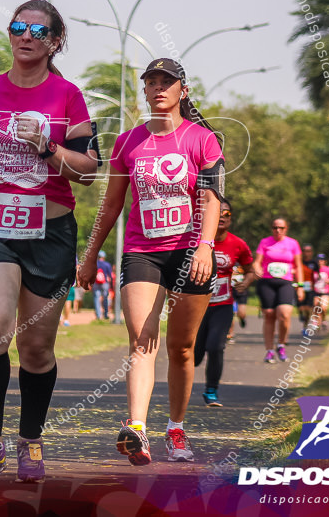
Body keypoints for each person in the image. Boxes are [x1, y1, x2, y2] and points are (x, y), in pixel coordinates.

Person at [0, 0, 98, 482]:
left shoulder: (68, 96)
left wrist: (49, 146)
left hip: (50, 231)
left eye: (39, 30)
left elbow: (88, 170)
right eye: (19, 27)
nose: (27, 35)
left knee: (36, 347)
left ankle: (30, 441)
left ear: (55, 41)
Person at [77, 57, 224, 465]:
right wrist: (90, 256)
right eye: (151, 82)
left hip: (191, 252)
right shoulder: (127, 142)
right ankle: (136, 429)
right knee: (142, 341)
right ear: (144, 90)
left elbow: (213, 198)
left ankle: (175, 429)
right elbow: (110, 206)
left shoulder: (203, 140)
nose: (158, 88)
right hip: (143, 251)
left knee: (180, 348)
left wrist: (205, 246)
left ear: (182, 90)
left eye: (167, 82)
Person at [194, 199, 254, 407]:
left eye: (226, 213)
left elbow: (251, 270)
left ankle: (211, 391)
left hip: (222, 305)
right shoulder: (195, 240)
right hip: (196, 307)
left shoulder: (238, 244)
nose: (221, 217)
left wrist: (245, 283)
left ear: (231, 218)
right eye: (218, 212)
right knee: (193, 355)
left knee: (216, 347)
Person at [253, 218, 304, 363]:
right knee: (269, 315)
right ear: (272, 229)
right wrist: (256, 268)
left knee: (284, 314)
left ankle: (281, 344)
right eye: (275, 228)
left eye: (281, 228)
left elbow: (298, 265)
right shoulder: (265, 242)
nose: (278, 230)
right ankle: (269, 350)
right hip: (267, 282)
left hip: (286, 282)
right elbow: (257, 261)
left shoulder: (293, 243)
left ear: (286, 229)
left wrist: (300, 286)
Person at [310, 254, 329, 332]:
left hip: (325, 292)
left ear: (325, 261)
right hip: (316, 291)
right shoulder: (314, 270)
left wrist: (328, 280)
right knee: (316, 306)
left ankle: (324, 320)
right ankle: (316, 322)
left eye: (321, 260)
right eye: (318, 260)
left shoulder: (327, 269)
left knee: (323, 308)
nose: (319, 262)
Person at [297, 244, 319, 331]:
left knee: (308, 308)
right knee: (300, 306)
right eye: (305, 251)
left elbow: (318, 275)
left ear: (311, 252)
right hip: (299, 286)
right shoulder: (299, 262)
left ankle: (305, 325)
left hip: (310, 287)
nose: (307, 253)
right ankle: (300, 314)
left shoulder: (314, 263)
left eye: (309, 251)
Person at [93, 251, 114, 321]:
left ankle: (98, 315)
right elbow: (110, 275)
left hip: (96, 283)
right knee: (105, 298)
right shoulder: (107, 264)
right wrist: (111, 285)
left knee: (96, 298)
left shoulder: (95, 263)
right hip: (105, 283)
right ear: (104, 257)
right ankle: (105, 314)